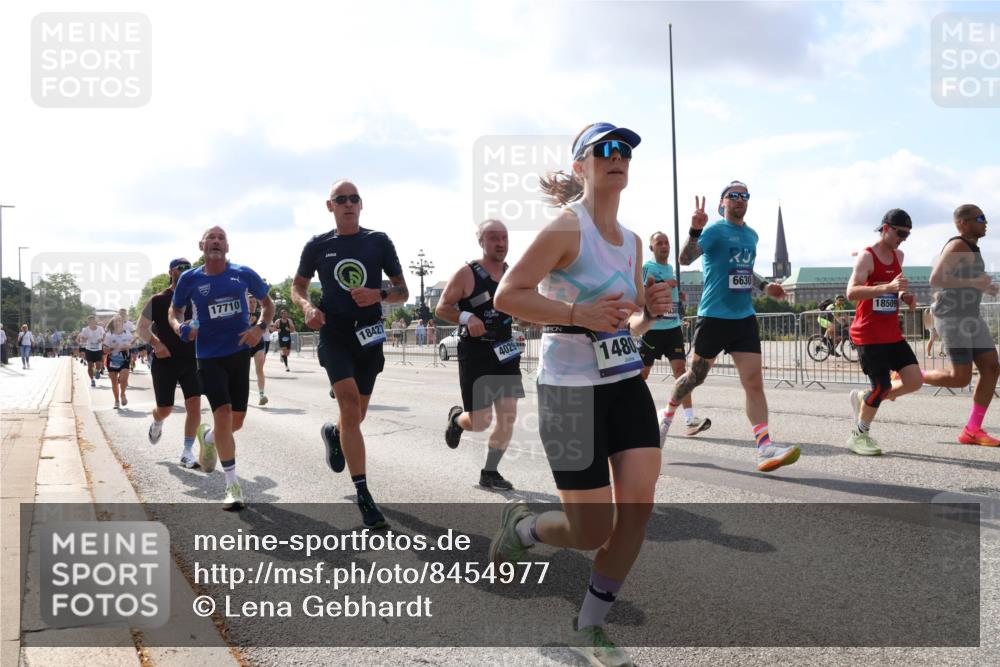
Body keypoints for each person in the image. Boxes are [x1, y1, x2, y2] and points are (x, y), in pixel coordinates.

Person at [492, 122, 674, 666]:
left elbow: (630, 324)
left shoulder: (635, 242)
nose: (617, 158)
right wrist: (575, 313)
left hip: (622, 383)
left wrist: (651, 312)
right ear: (581, 167)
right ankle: (524, 526)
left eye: (624, 151)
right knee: (591, 527)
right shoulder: (566, 230)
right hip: (569, 391)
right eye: (604, 150)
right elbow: (508, 295)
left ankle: (589, 624)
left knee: (638, 505)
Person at [292, 179, 408, 529]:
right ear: (330, 206)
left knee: (356, 416)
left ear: (361, 204)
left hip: (370, 333)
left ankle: (334, 433)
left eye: (354, 198)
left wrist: (380, 295)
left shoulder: (378, 241)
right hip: (335, 332)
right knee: (347, 403)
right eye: (340, 199)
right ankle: (364, 495)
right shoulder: (318, 245)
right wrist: (306, 308)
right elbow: (298, 287)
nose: (348, 203)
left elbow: (402, 290)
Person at [666, 181, 801, 471]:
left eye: (744, 196)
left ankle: (764, 446)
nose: (740, 200)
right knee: (695, 377)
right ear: (723, 202)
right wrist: (694, 230)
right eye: (734, 196)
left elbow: (744, 269)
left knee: (753, 382)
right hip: (714, 316)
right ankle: (665, 418)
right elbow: (684, 258)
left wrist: (766, 286)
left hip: (743, 318)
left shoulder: (751, 235)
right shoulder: (714, 230)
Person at [169, 227, 273, 510]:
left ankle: (208, 437)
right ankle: (232, 487)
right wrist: (180, 327)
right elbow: (174, 311)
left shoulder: (243, 273)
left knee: (234, 423)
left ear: (227, 246)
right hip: (209, 356)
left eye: (221, 238)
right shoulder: (191, 279)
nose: (216, 241)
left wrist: (259, 328)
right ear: (201, 245)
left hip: (239, 353)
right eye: (211, 238)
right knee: (224, 415)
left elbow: (268, 304)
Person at [438, 219, 525, 491]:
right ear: (481, 242)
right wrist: (466, 316)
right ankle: (457, 420)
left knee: (508, 416)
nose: (500, 243)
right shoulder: (467, 273)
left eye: (504, 238)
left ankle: (490, 472)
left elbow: (521, 308)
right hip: (475, 352)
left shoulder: (513, 274)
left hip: (505, 350)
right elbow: (442, 307)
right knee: (480, 421)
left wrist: (530, 317)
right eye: (493, 238)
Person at [919, 205, 1000, 446]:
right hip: (953, 316)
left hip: (971, 316)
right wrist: (976, 281)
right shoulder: (958, 245)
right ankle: (914, 376)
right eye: (980, 218)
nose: (985, 222)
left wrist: (985, 287)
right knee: (959, 378)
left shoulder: (973, 248)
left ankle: (972, 430)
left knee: (992, 368)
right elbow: (935, 279)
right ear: (963, 223)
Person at [845, 209, 922, 456]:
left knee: (914, 381)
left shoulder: (899, 255)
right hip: (868, 334)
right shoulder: (867, 257)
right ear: (886, 228)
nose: (903, 238)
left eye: (908, 235)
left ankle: (866, 398)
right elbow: (851, 293)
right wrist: (886, 287)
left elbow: (895, 288)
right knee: (881, 387)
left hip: (891, 333)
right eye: (901, 233)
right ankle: (859, 435)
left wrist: (905, 295)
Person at [638, 231, 711, 436]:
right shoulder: (647, 268)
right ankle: (632, 413)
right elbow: (643, 294)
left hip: (672, 329)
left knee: (682, 373)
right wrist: (666, 285)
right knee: (642, 374)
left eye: (666, 242)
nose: (664, 246)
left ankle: (689, 420)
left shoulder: (671, 268)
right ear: (651, 248)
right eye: (659, 243)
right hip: (652, 329)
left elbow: (667, 293)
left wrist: (676, 295)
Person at [138, 258, 204, 468]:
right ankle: (157, 421)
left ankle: (187, 452)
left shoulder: (198, 298)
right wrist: (157, 344)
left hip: (191, 360)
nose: (185, 271)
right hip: (165, 361)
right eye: (180, 268)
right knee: (165, 408)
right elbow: (141, 328)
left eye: (188, 268)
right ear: (171, 272)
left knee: (194, 404)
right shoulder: (158, 300)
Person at [103, 315, 133, 409]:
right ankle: (116, 401)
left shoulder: (127, 333)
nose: (118, 322)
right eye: (116, 321)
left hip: (124, 358)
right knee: (114, 382)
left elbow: (134, 344)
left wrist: (128, 346)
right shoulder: (109, 335)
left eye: (120, 320)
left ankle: (123, 394)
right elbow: (104, 350)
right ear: (113, 323)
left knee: (124, 379)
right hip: (112, 360)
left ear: (122, 323)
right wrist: (112, 347)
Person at [248, 294, 270, 406]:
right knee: (242, 372)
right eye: (250, 302)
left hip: (258, 344)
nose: (252, 304)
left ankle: (262, 395)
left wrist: (261, 324)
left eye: (254, 302)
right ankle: (240, 395)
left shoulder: (259, 314)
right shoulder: (241, 315)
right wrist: (248, 322)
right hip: (244, 346)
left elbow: (266, 327)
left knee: (259, 369)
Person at [77, 316, 106, 385]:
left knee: (98, 365)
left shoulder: (100, 328)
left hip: (98, 349)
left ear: (95, 321)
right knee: (90, 365)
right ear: (88, 322)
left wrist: (102, 339)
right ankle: (92, 380)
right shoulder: (85, 330)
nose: (91, 322)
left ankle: (97, 371)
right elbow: (82, 338)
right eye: (90, 321)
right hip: (89, 349)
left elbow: (104, 335)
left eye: (93, 321)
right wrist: (84, 338)